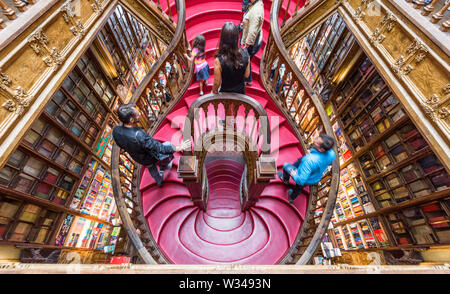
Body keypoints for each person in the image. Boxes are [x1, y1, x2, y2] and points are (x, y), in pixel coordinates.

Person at [112, 104, 191, 187]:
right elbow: (160, 147)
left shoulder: (116, 130)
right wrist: (180, 147)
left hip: (138, 158)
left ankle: (159, 180)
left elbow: (120, 144)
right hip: (149, 156)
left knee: (151, 167)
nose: (140, 114)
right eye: (138, 114)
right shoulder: (139, 135)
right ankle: (164, 166)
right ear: (131, 120)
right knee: (167, 146)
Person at [278, 134, 336, 204]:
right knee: (299, 187)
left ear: (321, 150)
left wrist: (294, 175)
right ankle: (291, 198)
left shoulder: (309, 160)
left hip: (306, 178)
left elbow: (300, 181)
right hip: (314, 177)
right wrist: (313, 153)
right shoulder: (332, 154)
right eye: (317, 138)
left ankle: (285, 180)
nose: (314, 141)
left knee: (286, 166)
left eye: (317, 143)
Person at [212, 22, 250, 95]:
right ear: (236, 37)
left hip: (226, 93)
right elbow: (246, 75)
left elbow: (217, 83)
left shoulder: (219, 60)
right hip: (240, 92)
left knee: (227, 106)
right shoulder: (245, 54)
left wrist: (213, 91)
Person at [241, 0, 264, 86]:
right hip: (254, 39)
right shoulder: (257, 4)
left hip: (252, 42)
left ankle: (247, 79)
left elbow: (252, 31)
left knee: (246, 58)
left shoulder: (256, 10)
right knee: (247, 58)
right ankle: (248, 79)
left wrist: (246, 45)